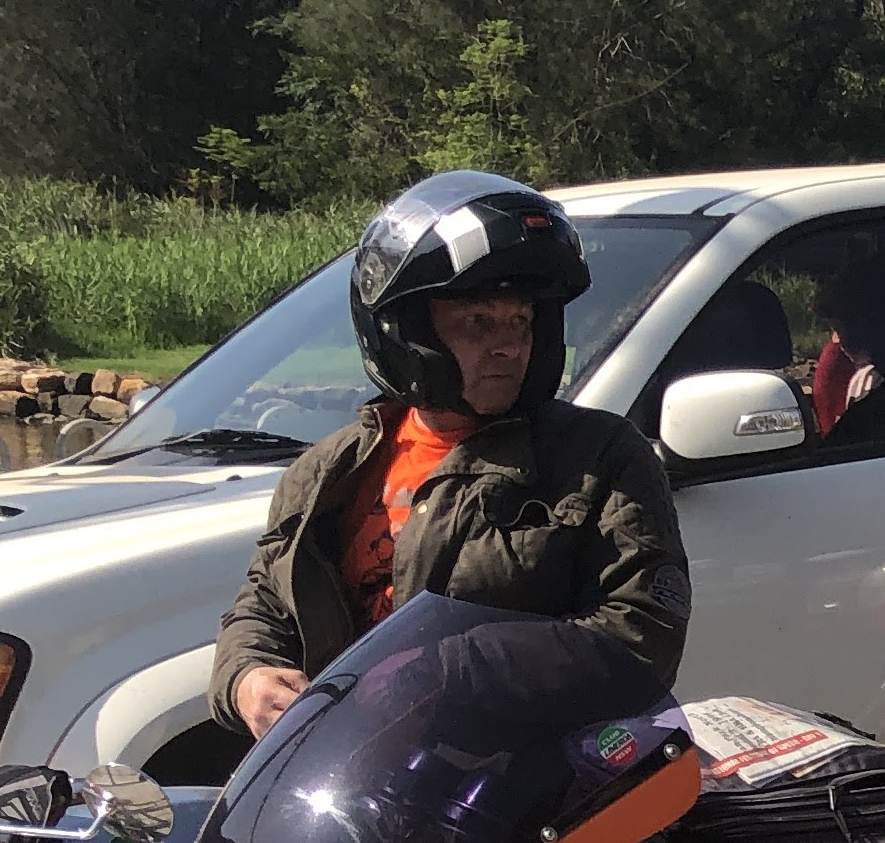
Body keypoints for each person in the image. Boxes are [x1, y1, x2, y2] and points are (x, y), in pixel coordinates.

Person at [211, 170, 690, 738]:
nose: (508, 346)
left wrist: (449, 671)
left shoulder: (600, 458)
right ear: (407, 331)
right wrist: (247, 678)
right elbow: (264, 603)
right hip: (353, 772)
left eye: (521, 321)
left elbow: (641, 635)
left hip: (521, 775)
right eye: (478, 322)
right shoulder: (326, 472)